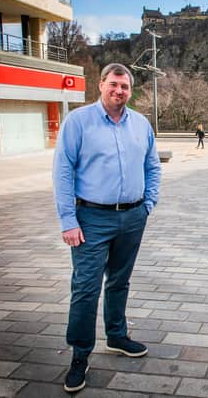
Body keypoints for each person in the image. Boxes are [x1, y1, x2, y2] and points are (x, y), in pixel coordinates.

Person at [53, 63, 161, 393]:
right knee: (86, 287)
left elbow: (152, 166)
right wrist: (68, 220)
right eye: (113, 84)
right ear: (100, 85)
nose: (119, 91)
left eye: (125, 86)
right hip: (91, 219)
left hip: (132, 217)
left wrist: (147, 205)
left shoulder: (141, 124)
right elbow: (62, 172)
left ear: (131, 90)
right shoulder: (78, 121)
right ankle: (80, 354)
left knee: (119, 280)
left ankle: (116, 335)